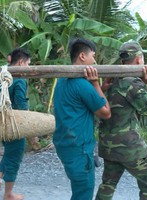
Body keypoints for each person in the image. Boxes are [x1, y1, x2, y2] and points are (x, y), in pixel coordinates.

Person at [95, 41, 147, 200]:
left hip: (108, 144)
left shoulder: (113, 79)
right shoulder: (131, 82)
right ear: (139, 60)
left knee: (108, 184)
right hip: (129, 146)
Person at [53, 37, 111, 200]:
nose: (95, 61)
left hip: (65, 144)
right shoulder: (83, 84)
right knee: (83, 193)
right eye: (93, 56)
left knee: (78, 190)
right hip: (79, 149)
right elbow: (106, 113)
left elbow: (80, 101)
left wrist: (97, 88)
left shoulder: (62, 80)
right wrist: (96, 85)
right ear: (82, 57)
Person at [0, 48, 30, 200]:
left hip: (1, 121)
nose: (28, 68)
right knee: (15, 156)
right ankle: (8, 194)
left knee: (8, 151)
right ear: (21, 62)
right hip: (15, 124)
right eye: (28, 64)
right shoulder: (20, 79)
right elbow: (21, 105)